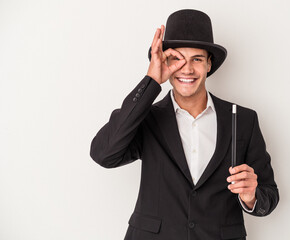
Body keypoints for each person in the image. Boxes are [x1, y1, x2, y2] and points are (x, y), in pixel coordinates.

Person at [90, 9, 279, 240]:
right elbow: (104, 154)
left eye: (197, 59)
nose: (187, 69)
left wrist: (251, 196)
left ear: (209, 64)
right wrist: (151, 81)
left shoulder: (243, 120)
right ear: (164, 62)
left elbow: (269, 196)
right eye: (177, 59)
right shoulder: (147, 118)